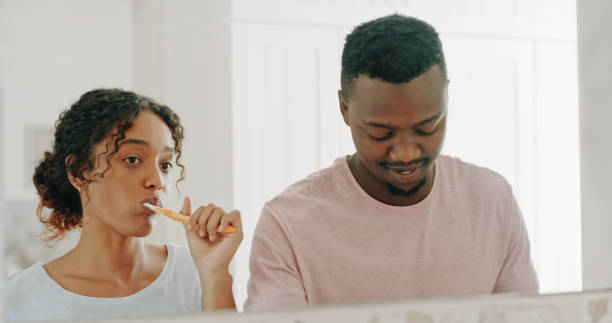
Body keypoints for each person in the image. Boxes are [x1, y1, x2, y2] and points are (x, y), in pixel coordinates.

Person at [245, 14, 538, 310]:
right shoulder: (288, 224)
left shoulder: (491, 200)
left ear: (446, 97)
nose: (406, 153)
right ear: (344, 109)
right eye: (380, 134)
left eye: (427, 128)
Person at [4, 89, 243, 322]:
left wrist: (215, 275)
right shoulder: (19, 297)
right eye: (132, 160)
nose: (157, 182)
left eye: (166, 164)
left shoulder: (198, 273)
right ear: (78, 173)